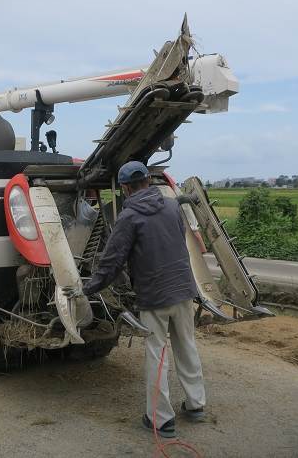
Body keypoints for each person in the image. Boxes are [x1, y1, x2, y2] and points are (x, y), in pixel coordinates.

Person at [79, 161, 206, 438]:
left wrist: (88, 288)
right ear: (149, 180)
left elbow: (112, 261)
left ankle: (161, 421)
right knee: (187, 346)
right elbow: (174, 243)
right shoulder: (173, 207)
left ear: (125, 188)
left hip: (155, 296)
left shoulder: (129, 217)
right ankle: (196, 406)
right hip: (184, 290)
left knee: (157, 356)